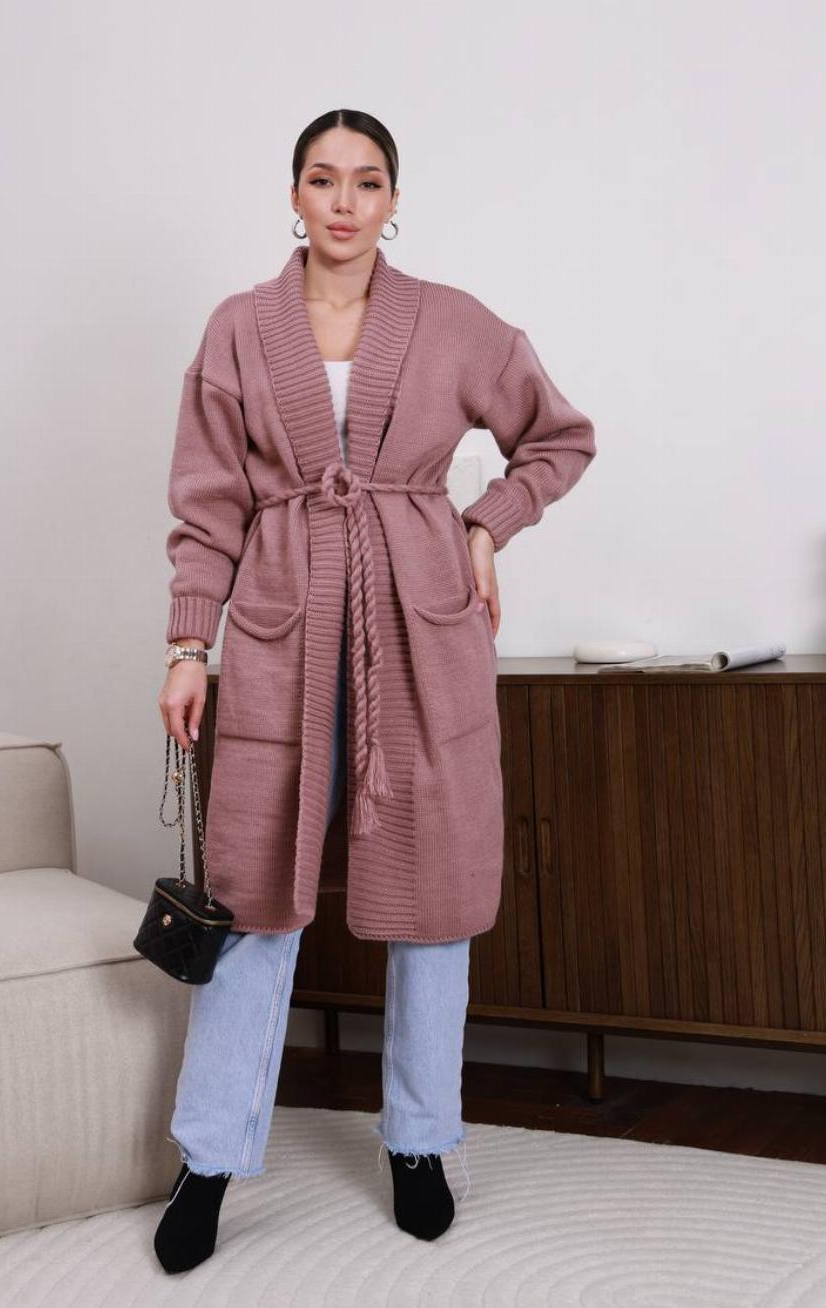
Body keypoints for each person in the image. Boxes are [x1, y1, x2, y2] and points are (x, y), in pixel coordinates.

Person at [153, 110, 597, 1273]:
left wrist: (485, 527)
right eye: (322, 179)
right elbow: (207, 503)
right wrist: (189, 644)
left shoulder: (452, 322)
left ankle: (419, 1140)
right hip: (280, 633)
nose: (343, 202)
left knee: (432, 897)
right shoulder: (239, 328)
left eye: (366, 181)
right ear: (293, 195)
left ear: (393, 200)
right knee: (252, 896)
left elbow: (559, 438)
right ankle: (209, 1158)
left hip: (421, 632)